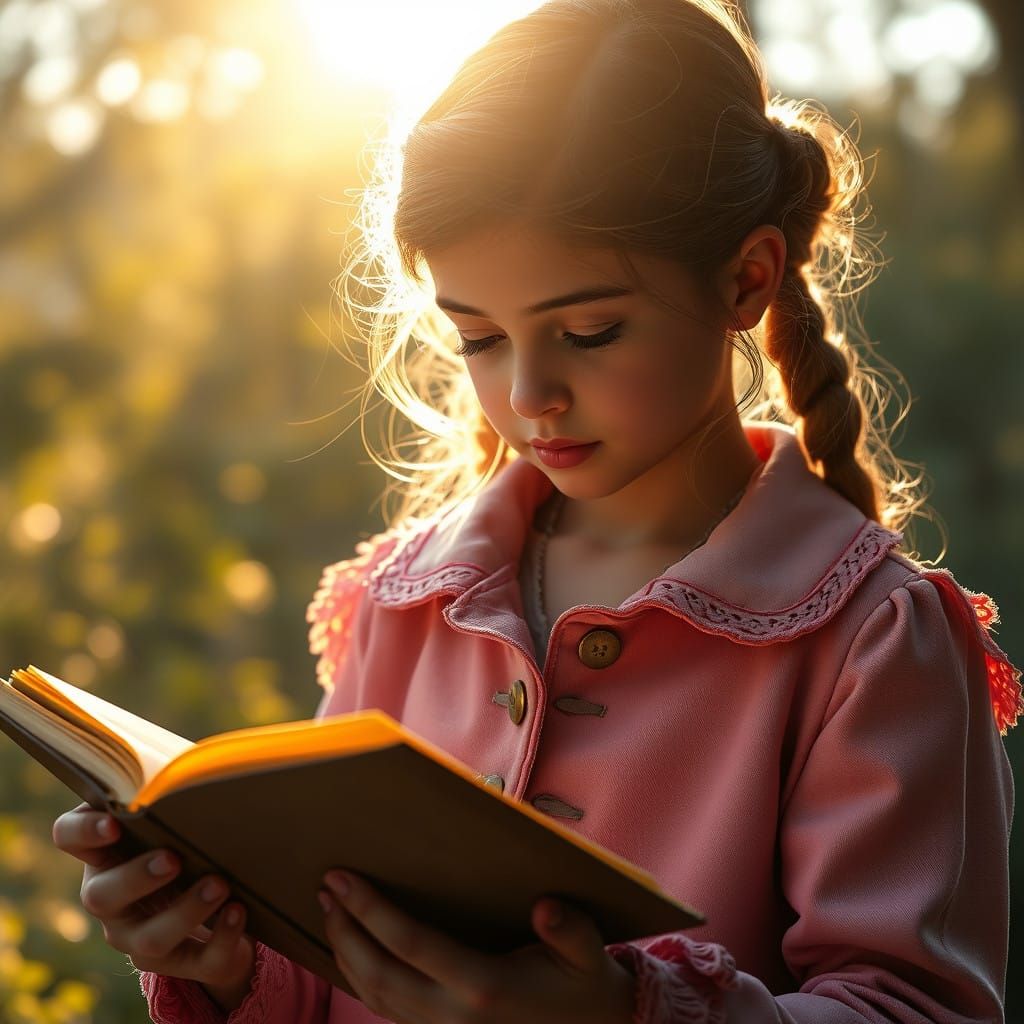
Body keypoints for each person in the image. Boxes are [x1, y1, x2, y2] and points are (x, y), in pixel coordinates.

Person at [52, 0, 1021, 1021]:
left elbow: (916, 1008)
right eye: (479, 338)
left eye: (590, 330)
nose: (529, 396)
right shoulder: (408, 599)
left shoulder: (870, 636)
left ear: (746, 278)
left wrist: (623, 1012)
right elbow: (337, 963)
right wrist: (221, 954)